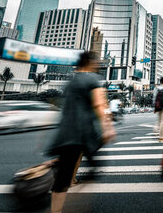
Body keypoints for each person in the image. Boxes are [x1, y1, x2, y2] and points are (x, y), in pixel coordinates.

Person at [47, 52, 115, 213]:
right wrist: (108, 127)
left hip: (65, 134)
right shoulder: (92, 79)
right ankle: (76, 204)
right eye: (96, 62)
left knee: (62, 179)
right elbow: (100, 104)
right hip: (84, 134)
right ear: (89, 62)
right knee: (94, 168)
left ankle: (55, 210)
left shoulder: (70, 82)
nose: (98, 64)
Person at [153, 77, 163, 141]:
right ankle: (161, 136)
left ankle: (155, 131)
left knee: (158, 120)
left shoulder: (157, 88)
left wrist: (155, 107)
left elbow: (154, 97)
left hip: (158, 106)